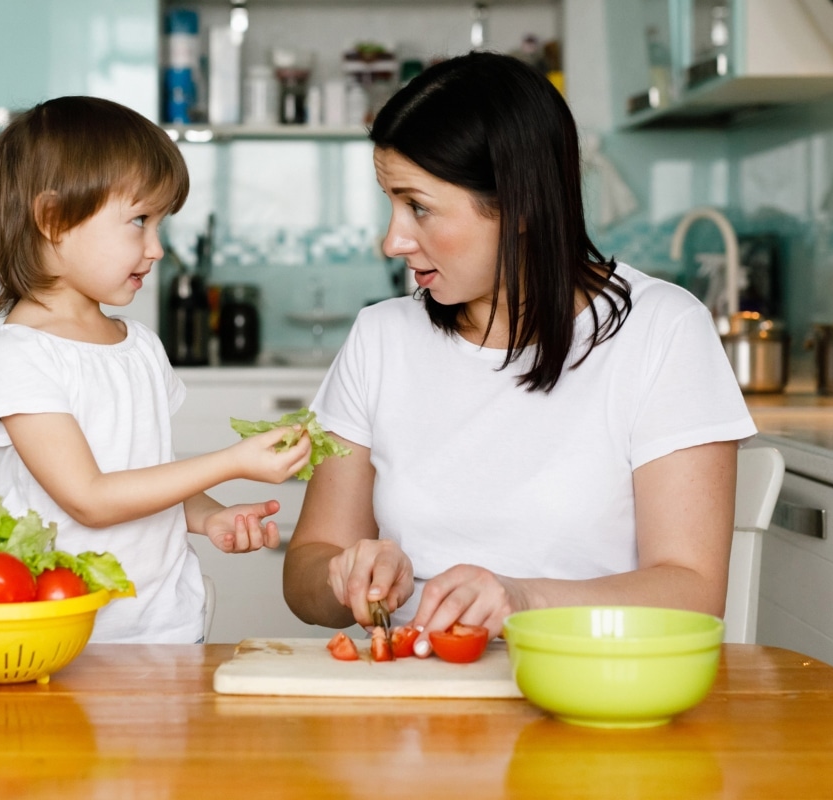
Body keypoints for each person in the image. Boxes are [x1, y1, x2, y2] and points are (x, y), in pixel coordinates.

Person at [282, 53, 757, 656]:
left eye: (419, 206)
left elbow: (693, 591)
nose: (393, 240)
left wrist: (523, 601)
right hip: (415, 707)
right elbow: (304, 572)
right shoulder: (381, 338)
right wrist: (343, 575)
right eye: (391, 204)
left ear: (522, 204)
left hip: (593, 696)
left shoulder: (661, 330)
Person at [0, 96, 312, 644]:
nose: (156, 248)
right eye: (139, 221)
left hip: (169, 624)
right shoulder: (21, 353)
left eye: (160, 223)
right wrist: (230, 463)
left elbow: (146, 475)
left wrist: (207, 517)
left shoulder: (140, 346)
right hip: (69, 638)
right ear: (53, 219)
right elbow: (91, 497)